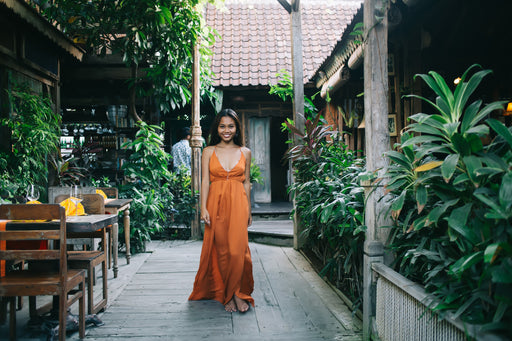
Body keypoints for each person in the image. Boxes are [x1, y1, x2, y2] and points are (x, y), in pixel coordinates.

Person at [188, 108, 254, 313]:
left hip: (238, 204)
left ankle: (237, 292)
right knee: (222, 251)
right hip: (215, 203)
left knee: (238, 251)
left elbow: (246, 182)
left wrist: (249, 210)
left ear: (237, 128)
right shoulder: (208, 151)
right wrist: (203, 207)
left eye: (231, 126)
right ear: (217, 128)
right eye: (222, 126)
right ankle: (227, 295)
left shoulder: (245, 152)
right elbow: (205, 181)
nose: (227, 130)